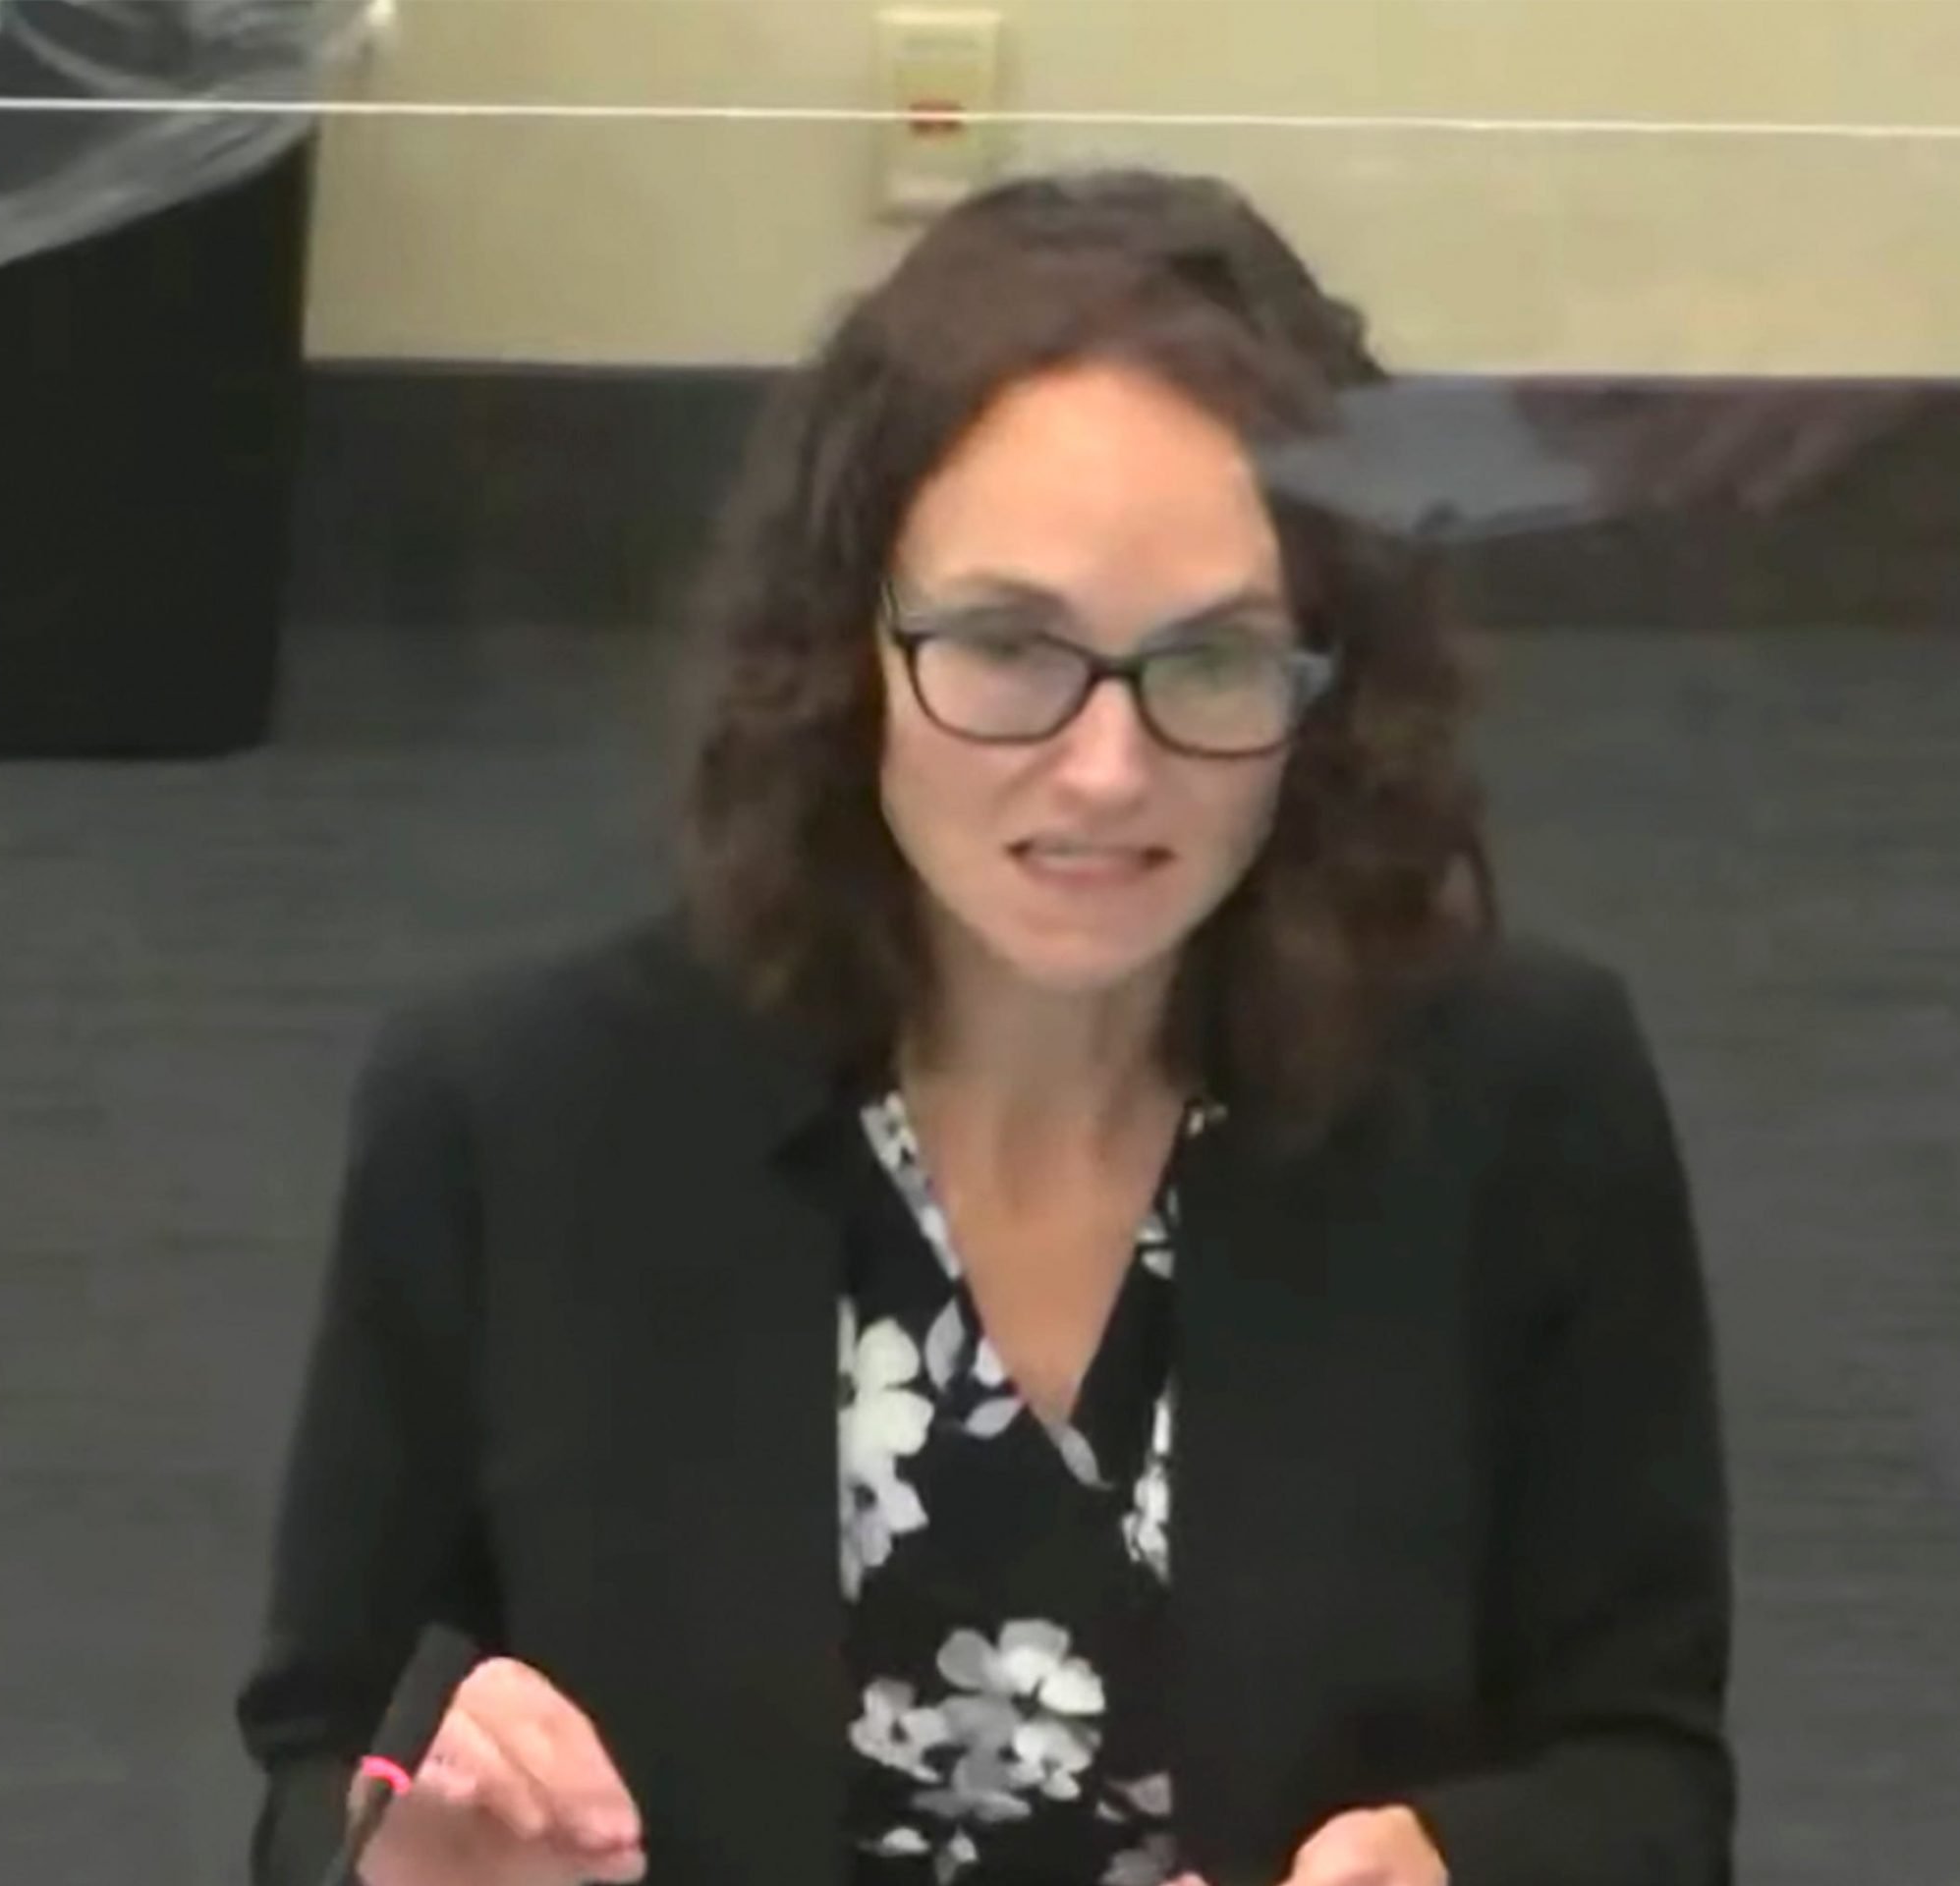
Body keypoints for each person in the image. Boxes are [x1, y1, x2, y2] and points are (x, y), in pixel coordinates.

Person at [234, 167, 1731, 1886]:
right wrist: (391, 1855)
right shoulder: (513, 1118)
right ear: (845, 648)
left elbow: (1649, 1782)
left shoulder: (1520, 1103)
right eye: (1011, 647)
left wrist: (1453, 1867)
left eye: (1214, 662)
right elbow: (319, 1754)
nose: (1107, 768)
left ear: (1333, 687)